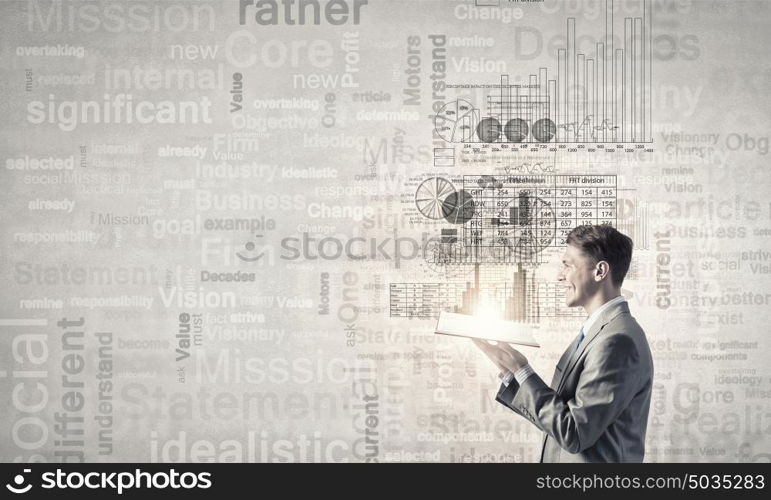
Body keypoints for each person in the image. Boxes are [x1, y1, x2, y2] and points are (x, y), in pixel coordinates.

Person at [473, 224, 653, 463]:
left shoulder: (616, 341)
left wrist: (522, 371)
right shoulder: (601, 333)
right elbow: (564, 417)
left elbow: (575, 433)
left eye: (568, 264)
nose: (560, 276)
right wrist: (513, 375)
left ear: (600, 271)